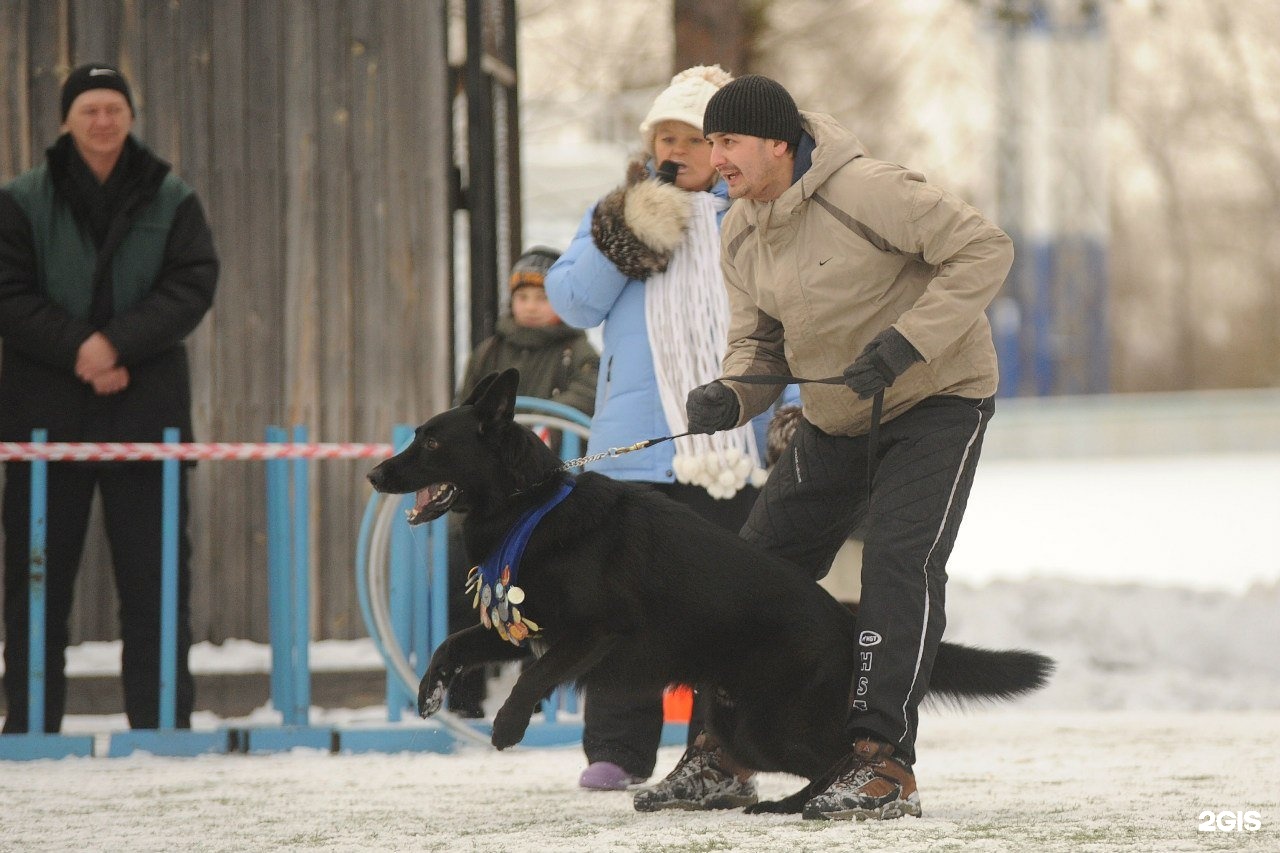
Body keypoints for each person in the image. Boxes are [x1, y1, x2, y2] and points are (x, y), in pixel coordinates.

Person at [657, 74, 1014, 820]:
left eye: (726, 141)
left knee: (895, 564)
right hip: (835, 417)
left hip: (936, 401)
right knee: (747, 573)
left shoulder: (870, 192)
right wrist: (734, 393)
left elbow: (984, 249)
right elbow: (757, 344)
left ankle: (881, 766)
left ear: (777, 144)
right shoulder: (740, 230)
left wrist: (907, 342)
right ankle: (720, 755)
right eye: (708, 142)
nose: (713, 157)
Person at [546, 65, 790, 794]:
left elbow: (793, 322)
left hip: (730, 448)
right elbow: (572, 302)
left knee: (720, 610)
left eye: (695, 137)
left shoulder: (754, 215)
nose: (679, 151)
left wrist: (797, 414)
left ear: (722, 147)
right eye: (667, 137)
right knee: (622, 606)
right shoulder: (618, 213)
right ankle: (617, 748)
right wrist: (631, 223)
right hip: (635, 453)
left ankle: (716, 750)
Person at [0, 64, 218, 733]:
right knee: (36, 582)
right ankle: (31, 726)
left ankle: (160, 724)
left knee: (154, 581)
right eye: (89, 109)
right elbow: (8, 291)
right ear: (68, 118)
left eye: (113, 108)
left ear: (130, 115)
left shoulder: (171, 195)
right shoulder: (21, 199)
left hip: (145, 412)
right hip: (44, 415)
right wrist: (80, 350)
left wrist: (116, 345)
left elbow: (193, 281)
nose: (102, 121)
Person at [445, 246, 598, 717]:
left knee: (535, 600)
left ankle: (531, 701)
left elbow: (582, 405)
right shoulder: (489, 350)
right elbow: (463, 412)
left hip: (542, 500)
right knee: (465, 589)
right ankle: (462, 697)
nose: (531, 304)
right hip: (485, 497)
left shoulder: (580, 353)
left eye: (543, 294)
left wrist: (524, 427)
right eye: (523, 295)